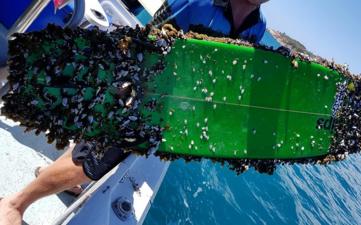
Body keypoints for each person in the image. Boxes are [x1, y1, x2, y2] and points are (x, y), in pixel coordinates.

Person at [0, 0, 281, 224]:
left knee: (90, 153)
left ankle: (54, 176)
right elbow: (147, 41)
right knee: (91, 162)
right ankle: (15, 203)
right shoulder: (199, 2)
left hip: (175, 110)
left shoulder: (258, 27)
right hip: (140, 95)